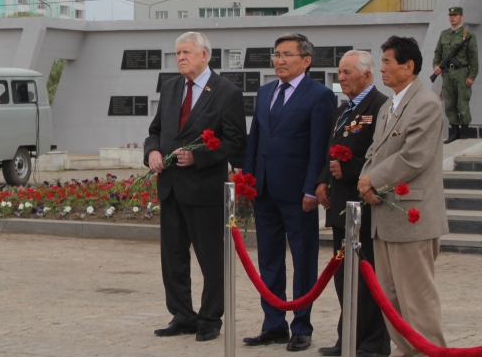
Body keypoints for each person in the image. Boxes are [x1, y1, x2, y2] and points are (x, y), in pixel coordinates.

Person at [144, 32, 247, 342]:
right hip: (171, 187)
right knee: (173, 257)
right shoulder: (172, 87)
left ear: (205, 55)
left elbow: (236, 142)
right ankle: (182, 315)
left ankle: (210, 318)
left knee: (211, 259)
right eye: (177, 53)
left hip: (204, 189)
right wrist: (152, 151)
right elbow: (156, 130)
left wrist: (198, 155)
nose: (180, 57)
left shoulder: (226, 92)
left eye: (186, 52)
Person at [243, 33, 336, 352]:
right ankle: (273, 325)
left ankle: (302, 327)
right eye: (276, 54)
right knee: (269, 259)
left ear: (306, 60)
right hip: (264, 190)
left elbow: (319, 147)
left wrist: (312, 187)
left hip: (299, 194)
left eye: (286, 54)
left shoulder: (319, 96)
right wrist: (249, 179)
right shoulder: (266, 91)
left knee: (303, 259)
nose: (278, 60)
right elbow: (255, 138)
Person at [359, 36, 449, 357]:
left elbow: (413, 157)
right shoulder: (388, 105)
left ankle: (430, 352)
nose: (381, 68)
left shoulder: (426, 104)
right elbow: (375, 152)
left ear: (408, 66)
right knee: (392, 301)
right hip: (384, 215)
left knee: (417, 300)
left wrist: (373, 181)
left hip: (413, 218)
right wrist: (365, 183)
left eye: (386, 62)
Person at [314, 51, 390, 357]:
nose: (341, 78)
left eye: (347, 72)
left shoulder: (381, 106)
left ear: (366, 75)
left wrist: (352, 170)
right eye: (339, 72)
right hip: (340, 204)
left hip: (364, 205)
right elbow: (330, 149)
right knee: (345, 277)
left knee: (366, 276)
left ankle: (373, 342)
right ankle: (348, 338)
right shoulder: (344, 108)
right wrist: (322, 180)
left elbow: (382, 158)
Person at [432, 6, 477, 144]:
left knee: (462, 102)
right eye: (451, 15)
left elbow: (473, 58)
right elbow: (438, 53)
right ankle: (454, 131)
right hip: (447, 73)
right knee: (450, 103)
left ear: (461, 17)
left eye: (456, 15)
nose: (452, 18)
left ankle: (464, 131)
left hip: (462, 72)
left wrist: (472, 76)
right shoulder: (444, 34)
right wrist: (436, 66)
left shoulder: (467, 35)